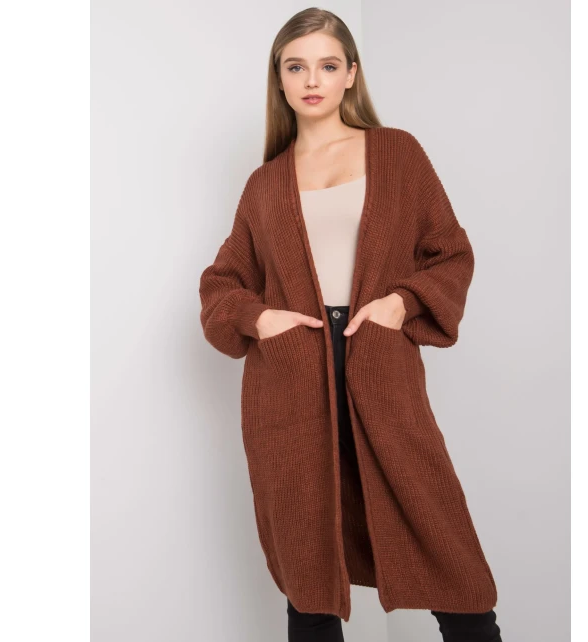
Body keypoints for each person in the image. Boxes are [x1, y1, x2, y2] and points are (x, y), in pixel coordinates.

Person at [199, 7, 503, 642]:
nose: (312, 79)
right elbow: (221, 285)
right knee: (309, 576)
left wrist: (400, 303)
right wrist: (262, 318)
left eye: (328, 65)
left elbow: (450, 252)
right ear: (279, 79)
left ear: (351, 75)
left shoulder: (396, 152)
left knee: (453, 566)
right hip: (290, 386)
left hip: (380, 369)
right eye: (296, 66)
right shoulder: (265, 185)